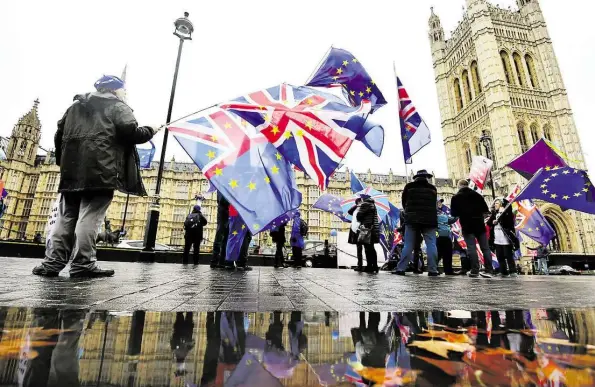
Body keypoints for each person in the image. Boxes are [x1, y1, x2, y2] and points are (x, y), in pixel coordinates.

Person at [33, 75, 156, 278]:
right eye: (124, 90)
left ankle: (52, 263)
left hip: (71, 170)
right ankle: (83, 264)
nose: (125, 94)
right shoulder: (117, 106)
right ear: (116, 90)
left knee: (65, 218)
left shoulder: (74, 107)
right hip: (101, 170)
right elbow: (132, 133)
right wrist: (150, 130)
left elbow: (58, 135)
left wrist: (62, 163)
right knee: (90, 218)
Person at [393, 170, 439, 276]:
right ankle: (433, 270)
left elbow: (404, 203)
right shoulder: (432, 188)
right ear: (427, 177)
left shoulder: (409, 187)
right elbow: (434, 204)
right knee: (431, 244)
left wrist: (408, 212)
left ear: (416, 177)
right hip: (429, 220)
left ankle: (401, 268)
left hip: (412, 219)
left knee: (408, 244)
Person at [450, 179, 493, 278]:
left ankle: (475, 270)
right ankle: (489, 270)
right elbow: (485, 210)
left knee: (471, 248)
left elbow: (454, 214)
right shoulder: (477, 195)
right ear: (467, 185)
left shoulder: (456, 197)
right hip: (479, 225)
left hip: (467, 225)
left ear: (459, 186)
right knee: (485, 248)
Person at [487, 198, 520, 277]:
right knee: (500, 256)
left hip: (506, 239)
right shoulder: (494, 214)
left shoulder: (507, 213)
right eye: (495, 203)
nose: (495, 205)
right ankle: (503, 271)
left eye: (497, 203)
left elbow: (509, 223)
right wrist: (493, 222)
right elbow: (489, 223)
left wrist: (502, 214)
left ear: (501, 205)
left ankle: (512, 271)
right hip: (497, 240)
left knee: (508, 256)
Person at [356, 195, 380, 273]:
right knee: (372, 248)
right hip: (373, 229)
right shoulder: (373, 204)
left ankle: (369, 266)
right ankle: (375, 266)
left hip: (366, 228)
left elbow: (358, 217)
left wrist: (359, 209)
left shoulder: (365, 204)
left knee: (367, 248)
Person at [437, 199, 458, 275]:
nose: (440, 204)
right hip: (438, 237)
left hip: (446, 236)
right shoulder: (433, 214)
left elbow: (452, 220)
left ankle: (448, 270)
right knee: (438, 254)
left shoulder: (443, 213)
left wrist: (457, 214)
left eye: (440, 202)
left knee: (448, 253)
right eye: (438, 202)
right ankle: (434, 269)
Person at [211, 191, 230, 269]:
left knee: (225, 239)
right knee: (219, 237)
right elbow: (222, 200)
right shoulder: (222, 184)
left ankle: (221, 262)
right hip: (223, 213)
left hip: (227, 213)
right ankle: (215, 261)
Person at [348, 198, 364, 272]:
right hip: (356, 230)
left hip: (361, 229)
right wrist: (356, 206)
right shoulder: (355, 210)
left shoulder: (363, 209)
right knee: (359, 248)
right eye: (361, 201)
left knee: (364, 248)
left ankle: (362, 265)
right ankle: (359, 265)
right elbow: (349, 211)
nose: (362, 203)